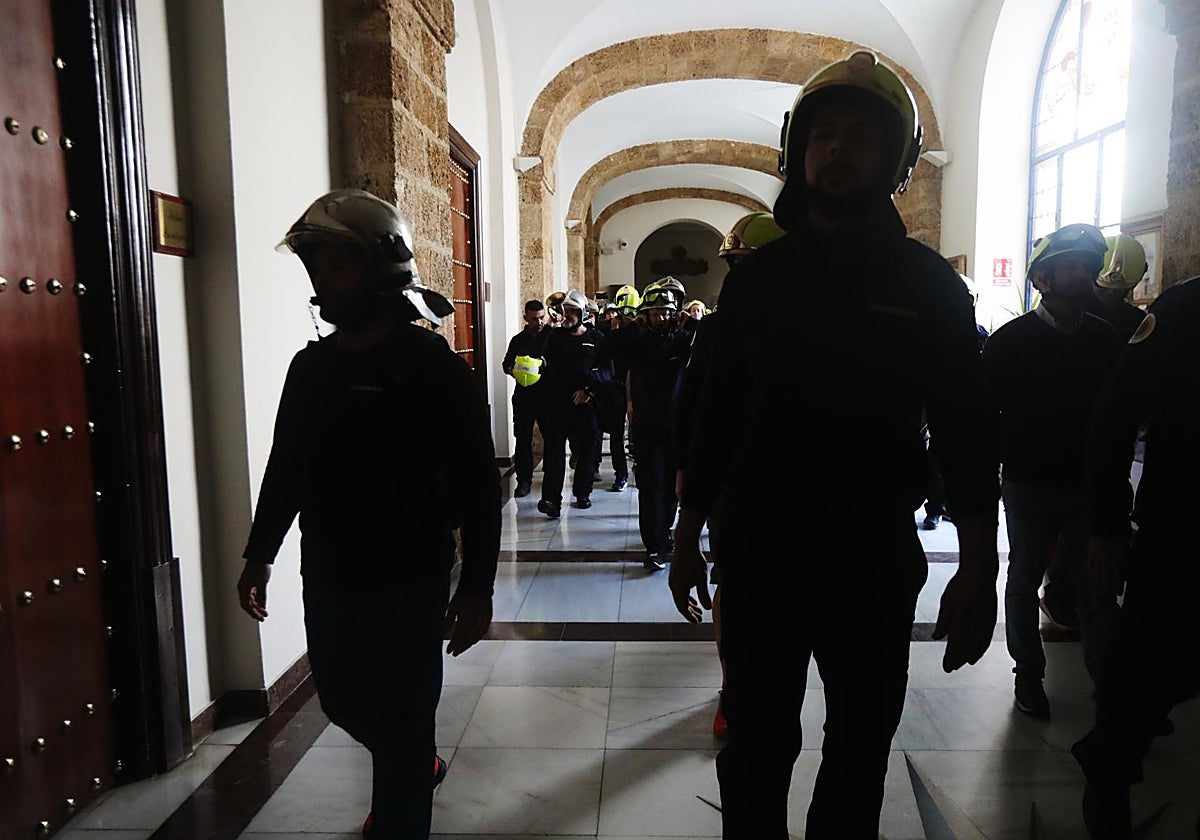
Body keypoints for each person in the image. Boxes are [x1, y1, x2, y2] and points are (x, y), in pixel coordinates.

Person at [669, 51, 1000, 839]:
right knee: (756, 744)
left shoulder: (930, 286)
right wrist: (686, 535)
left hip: (871, 557)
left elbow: (966, 432)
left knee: (859, 746)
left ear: (895, 161)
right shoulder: (758, 281)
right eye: (824, 133)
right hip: (762, 551)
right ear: (799, 150)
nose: (838, 149)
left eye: (860, 134)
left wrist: (981, 566)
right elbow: (718, 415)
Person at [237, 188, 500, 839]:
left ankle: (404, 794)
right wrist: (259, 554)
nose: (323, 281)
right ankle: (413, 763)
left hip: (412, 575)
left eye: (338, 266)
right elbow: (286, 467)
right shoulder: (310, 368)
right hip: (329, 568)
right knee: (342, 700)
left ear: (383, 267)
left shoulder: (434, 369)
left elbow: (477, 484)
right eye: (317, 267)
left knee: (405, 717)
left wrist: (477, 587)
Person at [1070, 276, 1200, 839]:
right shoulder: (1187, 309)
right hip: (1183, 536)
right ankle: (1108, 780)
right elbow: (1114, 417)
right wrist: (1107, 526)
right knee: (1139, 682)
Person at [981, 223, 1124, 720]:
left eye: (1087, 265)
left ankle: (1110, 685)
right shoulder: (1011, 341)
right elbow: (986, 414)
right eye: (1071, 266)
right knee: (1023, 579)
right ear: (1042, 279)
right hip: (1029, 483)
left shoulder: (1105, 339)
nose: (1083, 273)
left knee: (1097, 589)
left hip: (1086, 484)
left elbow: (1117, 416)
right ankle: (1028, 673)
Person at [675, 209, 786, 737]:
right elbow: (697, 409)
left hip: (813, 493)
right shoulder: (718, 327)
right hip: (739, 486)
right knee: (736, 589)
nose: (739, 276)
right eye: (734, 265)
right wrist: (689, 497)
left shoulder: (828, 320)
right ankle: (732, 686)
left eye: (748, 264)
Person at [619, 282, 693, 571]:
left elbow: (712, 340)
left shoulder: (683, 339)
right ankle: (654, 547)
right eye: (654, 314)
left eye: (666, 313)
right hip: (647, 425)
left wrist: (691, 322)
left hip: (676, 425)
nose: (660, 318)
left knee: (671, 487)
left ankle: (664, 534)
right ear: (646, 316)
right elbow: (607, 349)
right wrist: (631, 327)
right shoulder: (637, 341)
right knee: (651, 487)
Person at [535, 289, 613, 517]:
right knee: (554, 453)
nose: (566, 315)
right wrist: (549, 327)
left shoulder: (596, 338)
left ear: (582, 313)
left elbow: (608, 371)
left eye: (572, 311)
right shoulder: (554, 336)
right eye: (564, 310)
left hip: (585, 405)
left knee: (587, 451)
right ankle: (551, 500)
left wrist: (588, 390)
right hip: (556, 405)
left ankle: (583, 493)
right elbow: (538, 355)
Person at [502, 299, 548, 498]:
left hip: (547, 395)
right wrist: (514, 371)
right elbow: (506, 364)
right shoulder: (518, 340)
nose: (539, 322)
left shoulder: (552, 336)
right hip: (524, 395)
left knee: (551, 438)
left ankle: (551, 479)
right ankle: (523, 481)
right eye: (534, 319)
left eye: (541, 318)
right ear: (525, 318)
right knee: (522, 438)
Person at [1085, 233, 1149, 341]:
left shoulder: (1137, 320)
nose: (1111, 292)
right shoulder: (1072, 314)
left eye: (1119, 290)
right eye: (1104, 288)